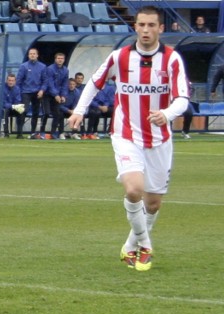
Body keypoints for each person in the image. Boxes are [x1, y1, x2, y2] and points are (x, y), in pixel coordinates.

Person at [68, 5, 189, 272]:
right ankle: (145, 243)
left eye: (151, 25)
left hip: (160, 138)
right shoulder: (119, 57)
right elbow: (95, 83)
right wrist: (79, 110)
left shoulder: (172, 60)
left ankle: (130, 245)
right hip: (125, 134)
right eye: (141, 25)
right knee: (134, 189)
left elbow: (182, 98)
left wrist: (166, 114)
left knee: (153, 203)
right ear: (135, 27)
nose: (145, 30)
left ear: (160, 28)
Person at [16, 47, 46, 139]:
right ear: (28, 55)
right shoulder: (23, 66)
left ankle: (33, 133)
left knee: (36, 113)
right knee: (23, 110)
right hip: (26, 92)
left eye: (34, 53)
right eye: (30, 54)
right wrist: (20, 92)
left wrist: (42, 90)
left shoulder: (42, 66)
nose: (32, 55)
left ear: (37, 55)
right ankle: (19, 133)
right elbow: (19, 81)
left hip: (37, 92)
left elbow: (45, 81)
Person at [40, 52, 69, 140]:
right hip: (47, 95)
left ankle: (53, 133)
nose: (60, 60)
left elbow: (64, 84)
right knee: (47, 113)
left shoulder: (65, 70)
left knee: (57, 114)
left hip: (57, 95)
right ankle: (42, 131)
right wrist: (56, 94)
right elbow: (49, 83)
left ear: (64, 60)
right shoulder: (50, 69)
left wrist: (63, 95)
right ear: (55, 59)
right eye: (58, 58)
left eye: (62, 58)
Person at [0, 73, 25, 138]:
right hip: (3, 109)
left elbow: (18, 101)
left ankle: (19, 134)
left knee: (21, 111)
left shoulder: (17, 89)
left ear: (15, 81)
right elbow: (3, 103)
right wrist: (13, 106)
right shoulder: (2, 88)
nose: (11, 82)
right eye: (9, 80)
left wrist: (16, 106)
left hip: (13, 108)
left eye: (12, 80)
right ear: (6, 81)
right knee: (5, 111)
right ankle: (6, 133)